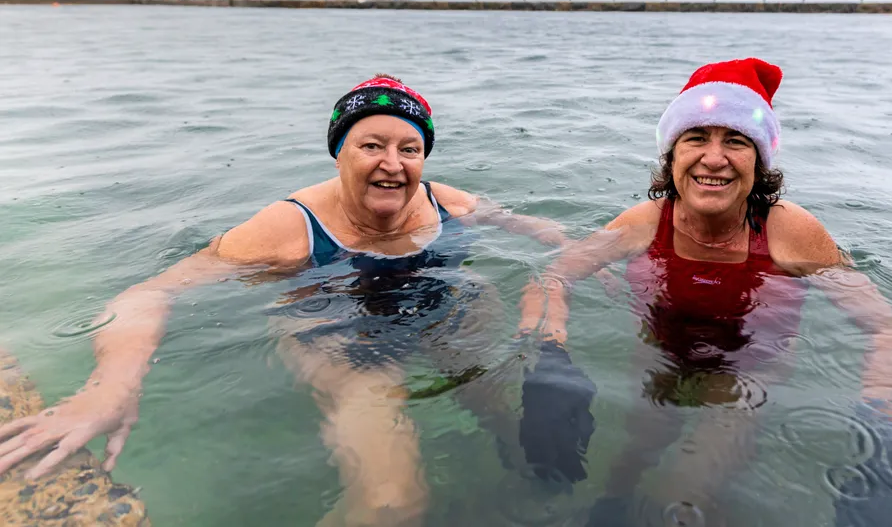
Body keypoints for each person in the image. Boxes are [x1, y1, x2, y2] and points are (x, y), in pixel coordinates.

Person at [0, 75, 586, 527]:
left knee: (511, 423)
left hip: (442, 309)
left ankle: (521, 479)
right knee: (392, 503)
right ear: (339, 152)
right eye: (372, 145)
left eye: (410, 148)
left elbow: (527, 224)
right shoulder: (285, 230)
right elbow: (148, 293)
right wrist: (109, 388)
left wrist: (572, 252)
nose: (392, 164)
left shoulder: (444, 200)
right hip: (335, 330)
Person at [518, 58, 892, 526]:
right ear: (672, 155)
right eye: (696, 138)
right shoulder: (645, 223)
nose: (714, 159)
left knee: (679, 500)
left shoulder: (789, 231)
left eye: (736, 140)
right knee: (628, 467)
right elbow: (554, 276)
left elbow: (882, 325)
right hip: (660, 361)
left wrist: (883, 402)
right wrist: (550, 348)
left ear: (760, 160)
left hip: (747, 376)